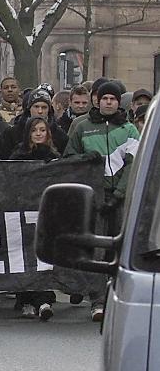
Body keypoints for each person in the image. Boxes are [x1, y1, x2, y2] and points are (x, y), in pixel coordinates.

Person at [64, 80, 141, 322]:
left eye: (113, 99)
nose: (108, 102)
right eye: (105, 98)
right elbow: (69, 158)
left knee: (120, 251)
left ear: (119, 102)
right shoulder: (82, 126)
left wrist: (118, 194)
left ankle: (119, 298)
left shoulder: (129, 130)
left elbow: (133, 165)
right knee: (96, 251)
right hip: (93, 197)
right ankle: (97, 301)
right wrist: (85, 158)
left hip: (119, 199)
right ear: (98, 100)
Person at [9, 116, 60, 321]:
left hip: (45, 215)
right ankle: (26, 299)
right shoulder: (17, 156)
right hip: (22, 213)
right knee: (24, 256)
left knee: (44, 256)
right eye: (34, 130)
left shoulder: (55, 157)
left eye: (42, 130)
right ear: (28, 133)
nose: (39, 134)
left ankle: (44, 300)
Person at [0, 88, 68, 159]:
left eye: (44, 107)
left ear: (49, 110)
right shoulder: (12, 133)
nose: (40, 111)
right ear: (29, 108)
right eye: (36, 107)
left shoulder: (60, 135)